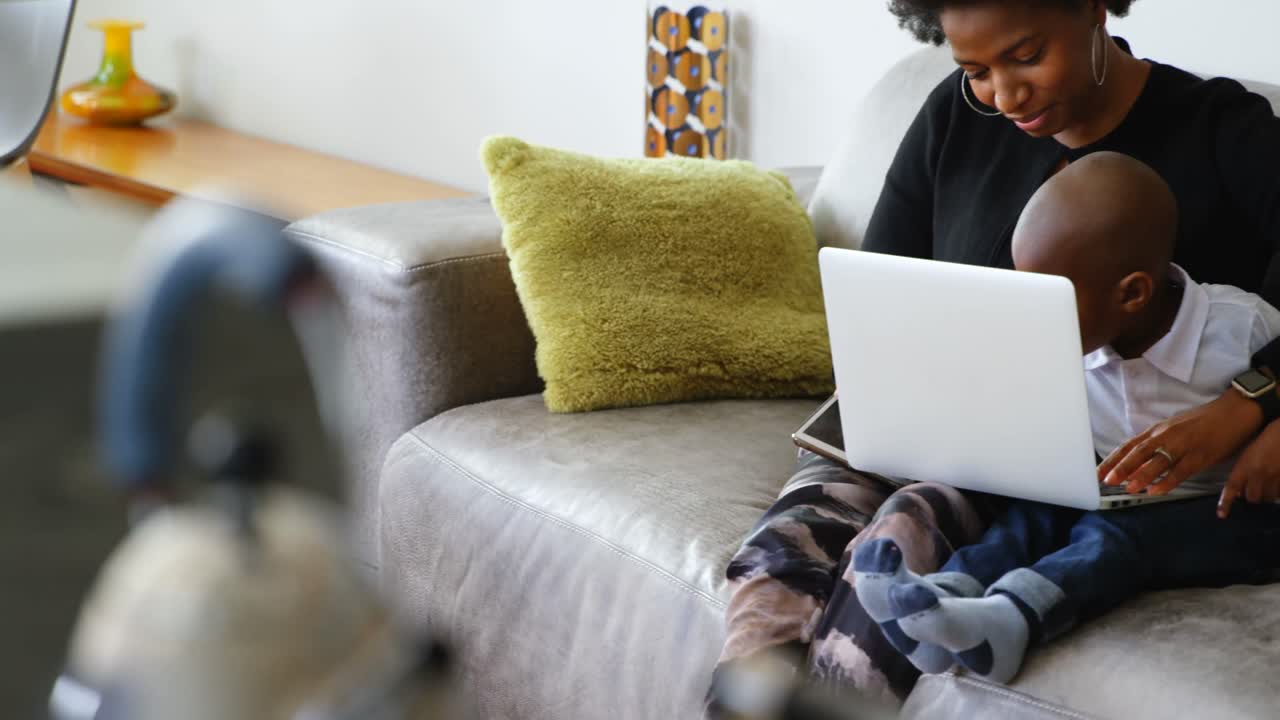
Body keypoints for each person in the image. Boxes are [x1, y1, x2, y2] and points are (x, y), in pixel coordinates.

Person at [711, 0, 1280, 708]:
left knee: (897, 544)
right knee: (782, 550)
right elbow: (879, 290)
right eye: (976, 70)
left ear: (1092, 10)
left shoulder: (1221, 129)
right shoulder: (955, 115)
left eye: (1026, 56)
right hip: (930, 423)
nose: (1004, 96)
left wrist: (1254, 403)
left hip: (1059, 470)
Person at [852, 151, 1280, 685]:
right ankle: (943, 600)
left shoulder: (1244, 329)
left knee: (1116, 536)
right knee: (1034, 513)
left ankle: (1014, 619)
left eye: (1048, 297)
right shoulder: (1070, 343)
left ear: (1132, 294)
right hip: (1113, 492)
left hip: (1239, 516)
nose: (1029, 313)